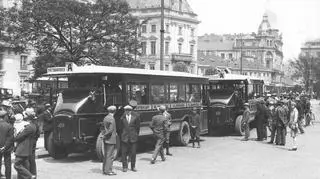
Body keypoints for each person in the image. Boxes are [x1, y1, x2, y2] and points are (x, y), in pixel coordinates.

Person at [14, 109, 37, 179]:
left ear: (28, 116)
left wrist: (17, 134)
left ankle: (30, 176)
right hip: (27, 148)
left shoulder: (29, 127)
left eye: (25, 115)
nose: (23, 116)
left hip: (23, 148)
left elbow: (18, 137)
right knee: (25, 164)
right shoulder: (31, 125)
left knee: (17, 165)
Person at [119, 105, 140, 172]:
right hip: (124, 137)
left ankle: (133, 167)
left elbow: (137, 127)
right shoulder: (122, 118)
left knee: (133, 153)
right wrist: (122, 135)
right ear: (125, 111)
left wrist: (136, 135)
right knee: (124, 153)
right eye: (126, 110)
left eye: (129, 110)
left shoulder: (135, 117)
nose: (127, 112)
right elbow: (120, 128)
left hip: (133, 137)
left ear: (131, 111)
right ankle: (124, 167)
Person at [102, 106, 117, 176]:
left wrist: (104, 135)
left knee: (106, 155)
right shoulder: (112, 119)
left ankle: (104, 170)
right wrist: (106, 135)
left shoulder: (105, 117)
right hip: (111, 139)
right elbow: (111, 130)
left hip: (106, 140)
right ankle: (109, 171)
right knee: (110, 156)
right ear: (115, 111)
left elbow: (103, 128)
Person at [25, 108, 40, 178]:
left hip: (30, 142)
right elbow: (38, 133)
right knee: (32, 159)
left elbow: (37, 133)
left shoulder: (32, 122)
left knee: (29, 159)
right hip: (33, 141)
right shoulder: (35, 121)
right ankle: (33, 174)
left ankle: (31, 174)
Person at [0, 110, 14, 179]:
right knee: (7, 164)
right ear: (5, 116)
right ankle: (8, 177)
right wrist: (4, 147)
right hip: (7, 148)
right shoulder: (9, 126)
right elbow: (10, 139)